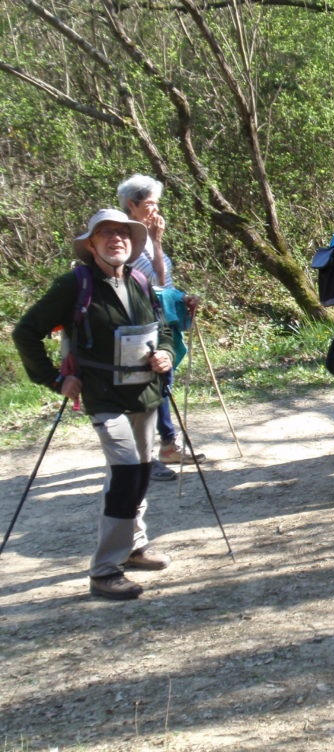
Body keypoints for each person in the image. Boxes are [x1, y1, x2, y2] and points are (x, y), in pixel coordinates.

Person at [13, 209, 176, 600]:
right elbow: (26, 332)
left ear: (132, 243)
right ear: (91, 243)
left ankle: (135, 547)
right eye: (106, 234)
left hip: (145, 394)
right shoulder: (75, 284)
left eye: (123, 233)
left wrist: (166, 353)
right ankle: (104, 570)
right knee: (126, 474)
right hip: (104, 396)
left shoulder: (139, 279)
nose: (116, 239)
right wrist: (56, 378)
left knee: (137, 472)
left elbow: (163, 327)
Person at [116, 173, 205, 481]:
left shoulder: (147, 238)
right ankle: (148, 454)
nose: (155, 209)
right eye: (150, 203)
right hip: (134, 325)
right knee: (149, 387)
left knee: (162, 381)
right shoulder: (124, 241)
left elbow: (164, 285)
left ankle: (167, 443)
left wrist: (181, 300)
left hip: (157, 321)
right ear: (132, 205)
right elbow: (154, 283)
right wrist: (155, 242)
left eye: (156, 203)